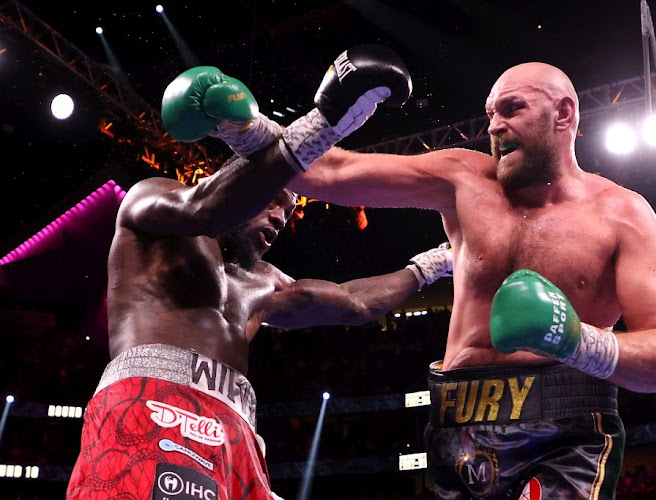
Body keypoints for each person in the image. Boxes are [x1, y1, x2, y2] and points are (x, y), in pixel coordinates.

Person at [283, 61, 656, 499]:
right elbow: (328, 173)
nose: (494, 127)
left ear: (564, 113)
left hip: (566, 428)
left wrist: (574, 339)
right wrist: (243, 129)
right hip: (457, 424)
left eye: (512, 109)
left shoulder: (623, 214)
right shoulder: (464, 177)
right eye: (490, 115)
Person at [65, 45, 454, 500]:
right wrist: (324, 123)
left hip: (237, 431)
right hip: (152, 403)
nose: (279, 218)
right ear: (238, 177)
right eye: (273, 201)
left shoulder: (265, 283)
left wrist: (439, 262)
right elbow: (208, 208)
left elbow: (354, 302)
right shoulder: (152, 205)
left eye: (289, 213)